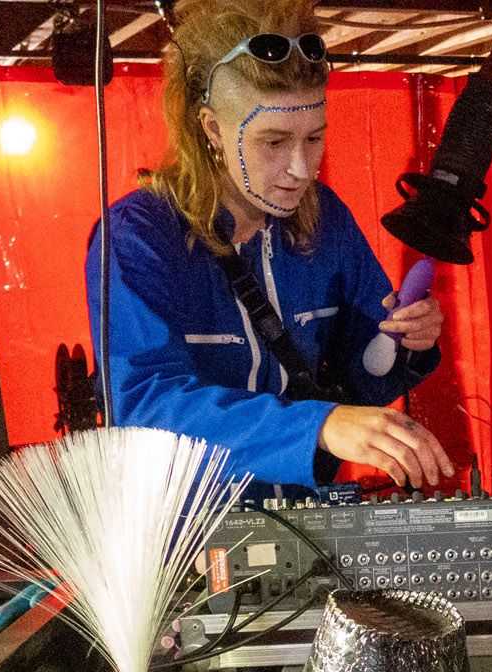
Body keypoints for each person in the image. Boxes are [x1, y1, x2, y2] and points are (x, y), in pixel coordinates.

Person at [86, 0, 454, 490]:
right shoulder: (137, 234)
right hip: (185, 524)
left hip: (306, 514)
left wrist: (408, 339)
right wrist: (317, 426)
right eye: (274, 143)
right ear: (212, 128)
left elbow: (365, 376)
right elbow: (144, 406)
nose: (301, 169)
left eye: (314, 139)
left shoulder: (326, 217)